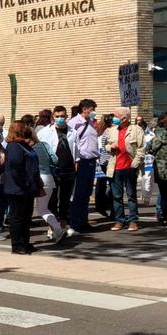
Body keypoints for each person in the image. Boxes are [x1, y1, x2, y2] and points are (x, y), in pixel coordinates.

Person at [101, 110, 145, 232]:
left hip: (129, 167)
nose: (113, 118)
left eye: (116, 116)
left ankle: (133, 220)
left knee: (131, 195)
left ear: (124, 118)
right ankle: (119, 220)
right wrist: (110, 147)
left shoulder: (136, 129)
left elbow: (141, 148)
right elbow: (105, 146)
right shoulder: (112, 130)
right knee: (116, 196)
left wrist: (134, 164)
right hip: (115, 167)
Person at [2, 122, 40, 254]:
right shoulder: (13, 146)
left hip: (28, 188)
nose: (27, 129)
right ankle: (17, 245)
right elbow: (15, 168)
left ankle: (25, 242)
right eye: (23, 128)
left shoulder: (23, 145)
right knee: (17, 217)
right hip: (18, 188)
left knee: (26, 217)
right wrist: (26, 183)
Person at [67, 98, 100, 235]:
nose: (94, 112)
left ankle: (83, 220)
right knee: (79, 193)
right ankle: (75, 223)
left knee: (86, 193)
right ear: (85, 109)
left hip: (92, 161)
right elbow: (71, 143)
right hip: (82, 162)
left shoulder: (91, 123)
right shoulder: (74, 123)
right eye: (92, 109)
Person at [32, 124, 66, 244]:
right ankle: (57, 229)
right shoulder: (45, 145)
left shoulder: (29, 147)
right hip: (50, 178)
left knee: (41, 209)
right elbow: (55, 159)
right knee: (45, 208)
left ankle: (57, 229)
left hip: (38, 179)